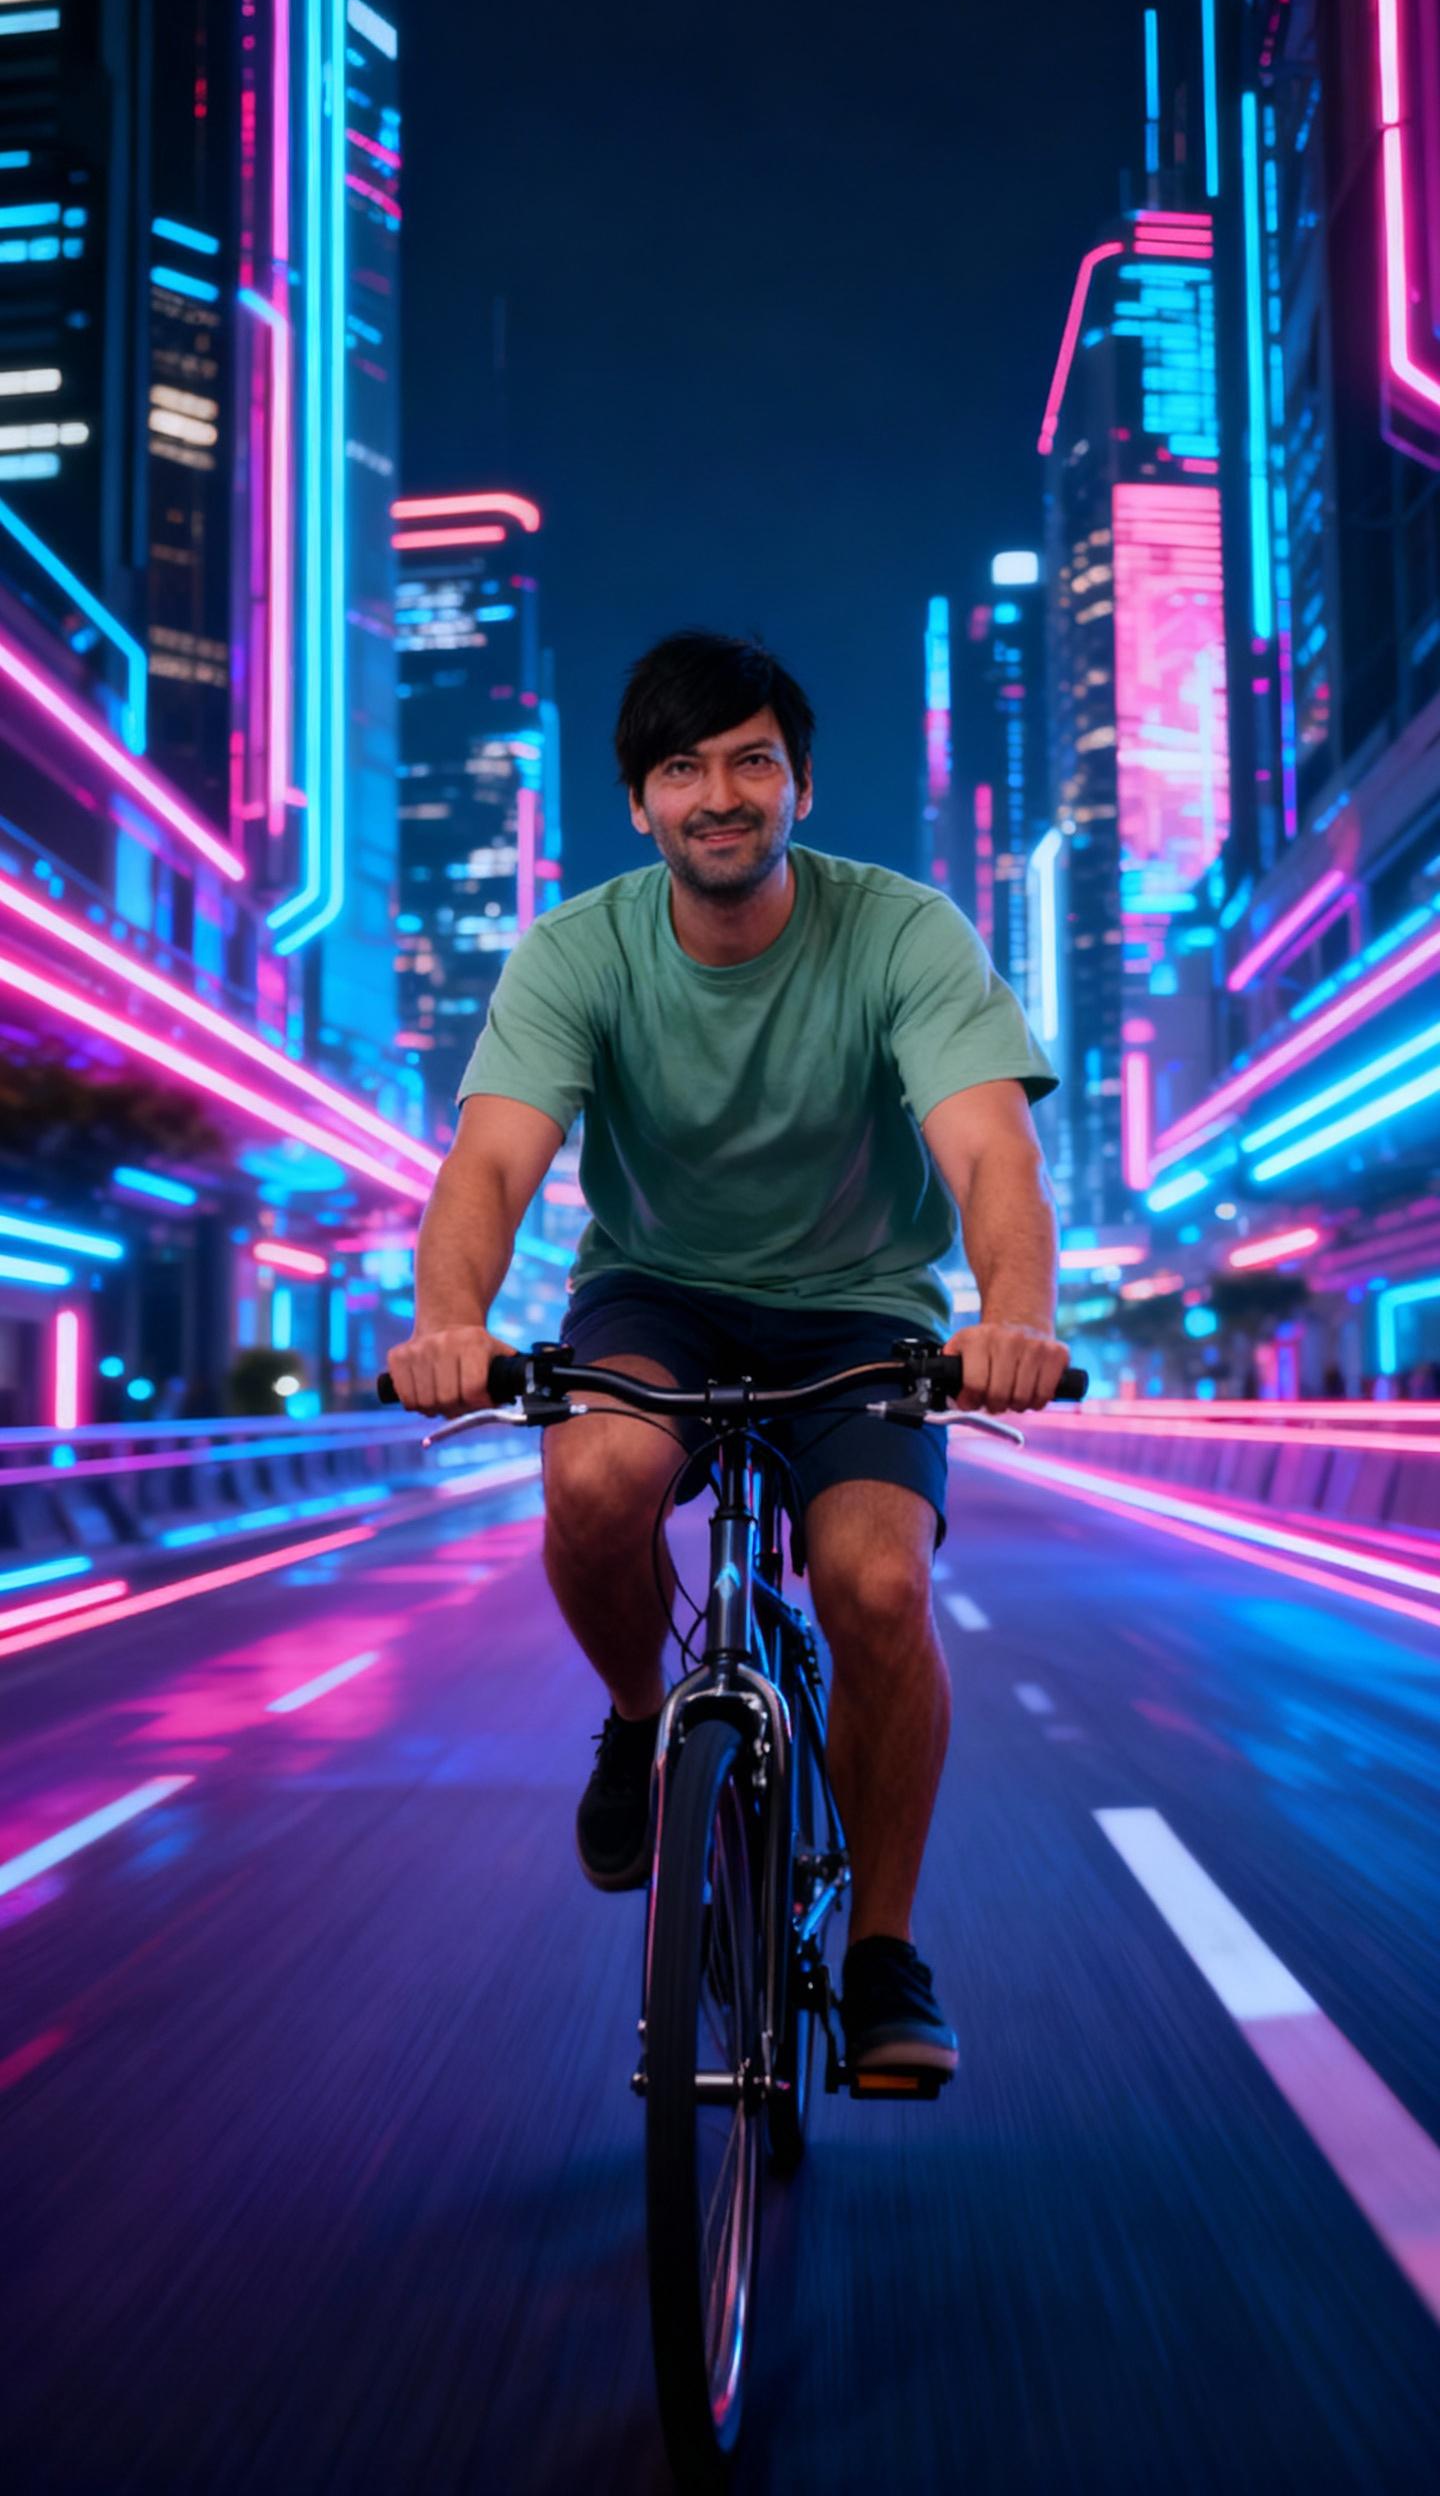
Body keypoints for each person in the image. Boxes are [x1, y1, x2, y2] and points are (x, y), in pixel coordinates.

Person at [386, 629, 1071, 2082]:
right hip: (655, 1292)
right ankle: (640, 1720)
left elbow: (990, 1153)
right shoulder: (580, 948)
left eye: (751, 761)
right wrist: (450, 1324)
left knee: (876, 1582)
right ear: (639, 800)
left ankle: (883, 1951)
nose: (719, 793)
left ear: (801, 786)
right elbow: (493, 1168)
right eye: (682, 767)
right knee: (595, 1482)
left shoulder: (903, 933)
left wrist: (1012, 1318)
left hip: (860, 1300)